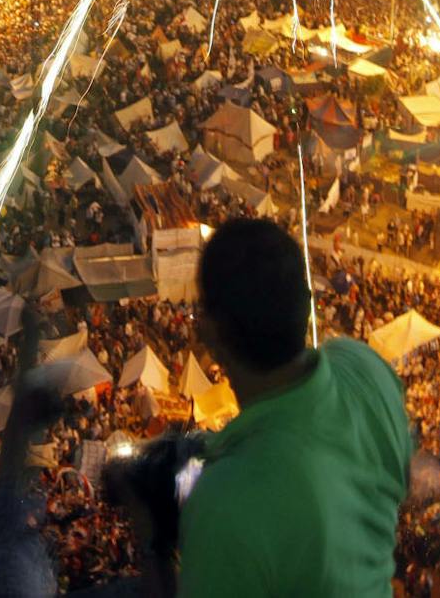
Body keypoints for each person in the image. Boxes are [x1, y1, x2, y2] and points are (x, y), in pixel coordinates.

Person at [175, 218, 414, 597]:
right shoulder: (366, 372)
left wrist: (153, 547)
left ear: (210, 331)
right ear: (306, 304)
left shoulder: (226, 504)